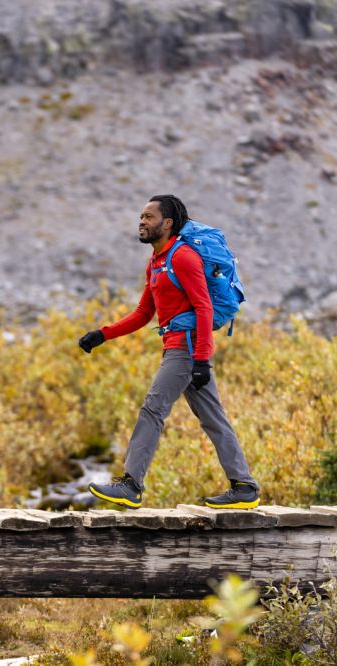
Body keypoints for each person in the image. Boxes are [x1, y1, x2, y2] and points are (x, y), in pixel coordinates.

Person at [78, 194, 260, 510]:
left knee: (153, 409)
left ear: (168, 223)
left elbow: (203, 307)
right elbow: (142, 313)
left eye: (149, 217)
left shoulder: (183, 257)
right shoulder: (156, 262)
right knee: (213, 418)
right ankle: (244, 486)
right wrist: (102, 335)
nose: (142, 221)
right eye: (141, 216)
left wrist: (202, 358)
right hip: (180, 348)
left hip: (185, 350)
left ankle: (130, 484)